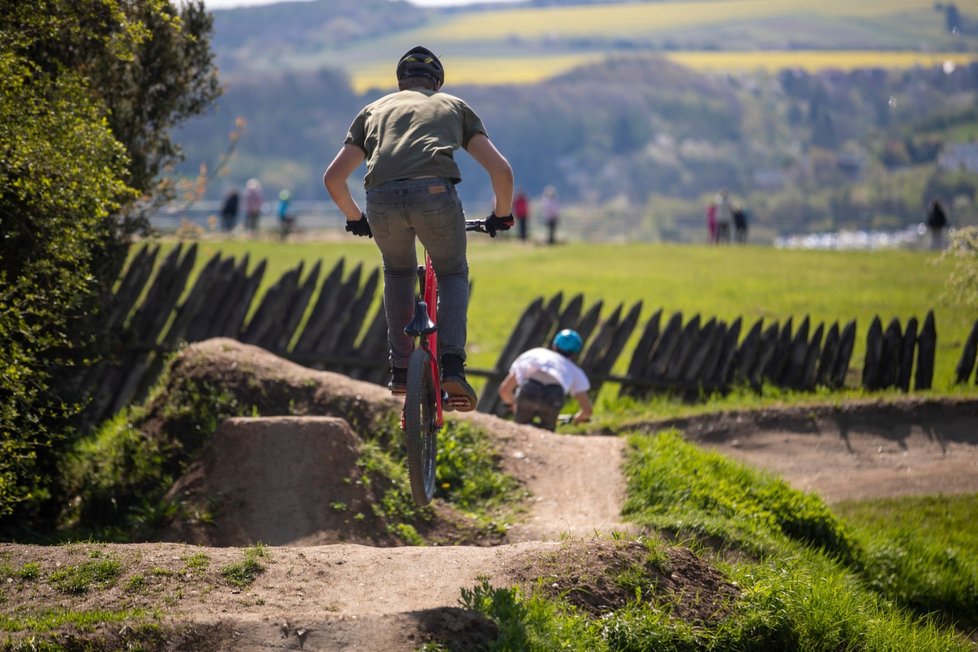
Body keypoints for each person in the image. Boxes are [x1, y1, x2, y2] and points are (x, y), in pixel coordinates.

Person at [323, 45, 515, 412]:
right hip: (434, 193)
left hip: (380, 199)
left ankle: (399, 369)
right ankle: (453, 367)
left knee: (397, 271)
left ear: (400, 83)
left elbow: (334, 178)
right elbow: (502, 171)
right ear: (437, 84)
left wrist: (355, 218)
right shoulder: (453, 107)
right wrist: (501, 215)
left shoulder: (372, 111)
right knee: (453, 271)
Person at [498, 329, 592, 431]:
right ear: (575, 353)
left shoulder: (536, 353)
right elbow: (587, 411)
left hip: (529, 391)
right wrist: (576, 419)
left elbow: (504, 390)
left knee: (519, 430)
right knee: (546, 434)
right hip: (553, 397)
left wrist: (513, 405)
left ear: (554, 345)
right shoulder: (575, 371)